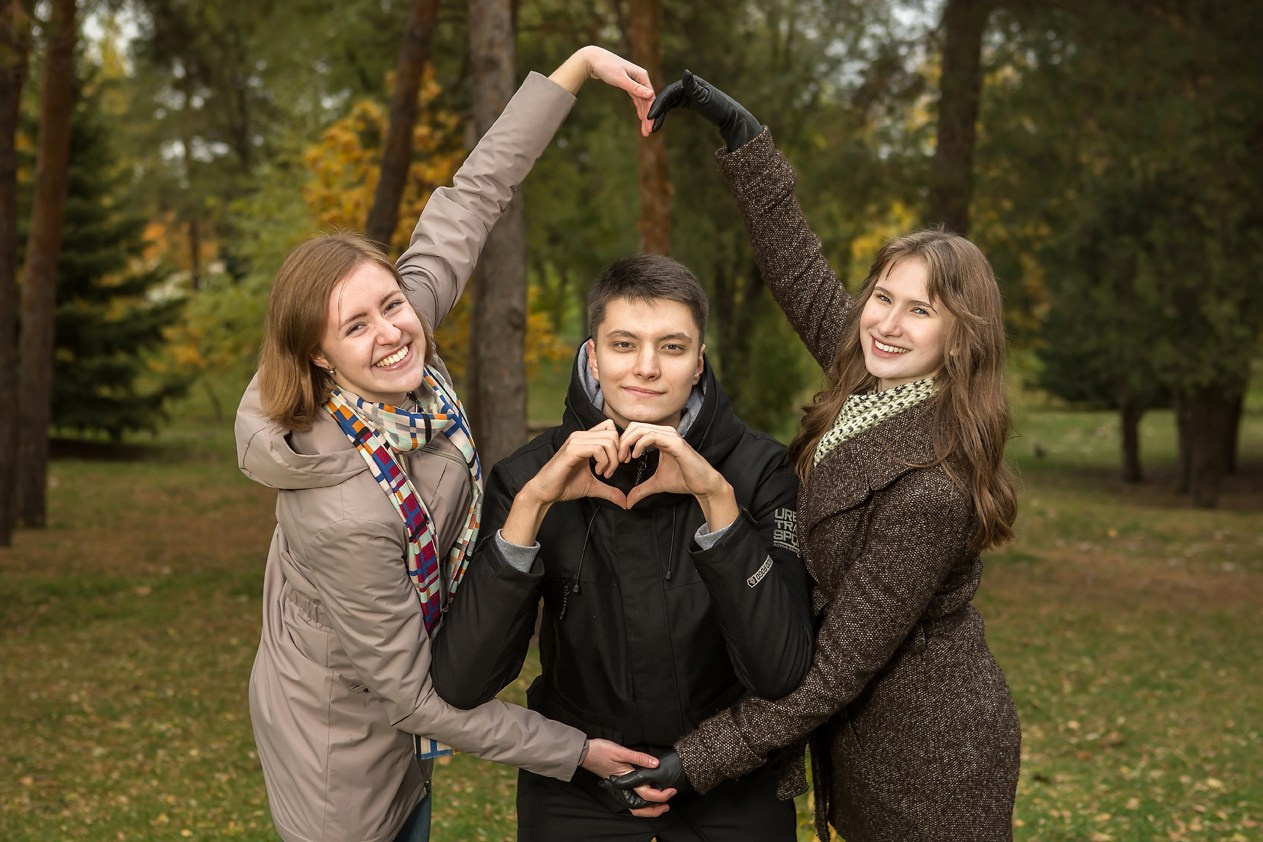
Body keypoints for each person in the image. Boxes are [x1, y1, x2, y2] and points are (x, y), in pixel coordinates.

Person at [234, 47, 668, 842]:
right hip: (341, 761)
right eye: (354, 327)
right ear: (319, 357)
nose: (391, 333)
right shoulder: (344, 507)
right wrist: (572, 753)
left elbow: (471, 197)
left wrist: (572, 71)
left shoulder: (404, 353)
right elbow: (409, 696)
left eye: (391, 303)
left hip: (398, 713)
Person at [613, 72, 1022, 842]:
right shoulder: (872, 375)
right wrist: (741, 134)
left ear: (959, 335)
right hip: (872, 744)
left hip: (930, 766)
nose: (887, 323)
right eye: (882, 296)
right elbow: (797, 267)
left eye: (920, 309)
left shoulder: (930, 489)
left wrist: (693, 761)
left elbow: (835, 669)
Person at [429, 253, 815, 840]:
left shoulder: (761, 470)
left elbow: (782, 670)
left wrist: (718, 504)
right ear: (593, 356)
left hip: (732, 786)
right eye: (624, 344)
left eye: (672, 347)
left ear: (699, 363)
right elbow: (462, 680)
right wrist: (531, 509)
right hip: (577, 789)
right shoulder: (527, 477)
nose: (646, 368)